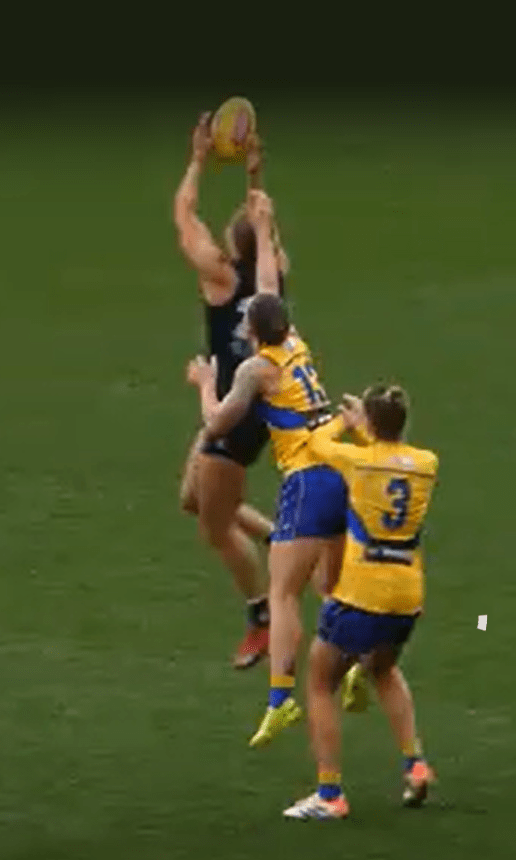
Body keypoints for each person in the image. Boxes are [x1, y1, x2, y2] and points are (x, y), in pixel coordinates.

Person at [187, 189, 348, 748]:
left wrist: (206, 383)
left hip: (307, 478)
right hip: (342, 468)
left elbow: (216, 423)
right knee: (330, 584)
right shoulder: (295, 340)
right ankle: (353, 669)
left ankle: (281, 699)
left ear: (252, 330)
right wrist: (265, 221)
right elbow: (269, 287)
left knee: (282, 594)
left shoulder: (256, 370)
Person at [281, 385, 439, 820]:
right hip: (407, 593)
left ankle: (329, 794)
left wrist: (345, 423)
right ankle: (416, 764)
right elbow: (391, 462)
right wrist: (370, 429)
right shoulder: (426, 464)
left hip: (361, 594)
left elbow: (316, 444)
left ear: (369, 421)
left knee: (319, 683)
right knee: (383, 669)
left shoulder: (358, 461)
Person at [174, 113, 289, 667]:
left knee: (214, 528)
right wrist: (253, 172)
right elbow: (263, 226)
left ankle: (260, 613)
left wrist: (198, 158)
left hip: (229, 408)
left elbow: (182, 216)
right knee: (191, 499)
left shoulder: (219, 278)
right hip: (255, 405)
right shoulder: (273, 275)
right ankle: (277, 537)